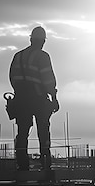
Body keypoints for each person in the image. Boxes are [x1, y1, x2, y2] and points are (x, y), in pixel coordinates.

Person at [9, 26, 59, 170]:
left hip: (20, 99)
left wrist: (19, 92)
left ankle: (22, 164)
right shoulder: (42, 56)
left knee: (22, 132)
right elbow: (48, 79)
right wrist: (54, 97)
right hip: (38, 99)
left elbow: (12, 77)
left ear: (31, 39)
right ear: (43, 41)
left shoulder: (18, 56)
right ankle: (45, 163)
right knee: (43, 130)